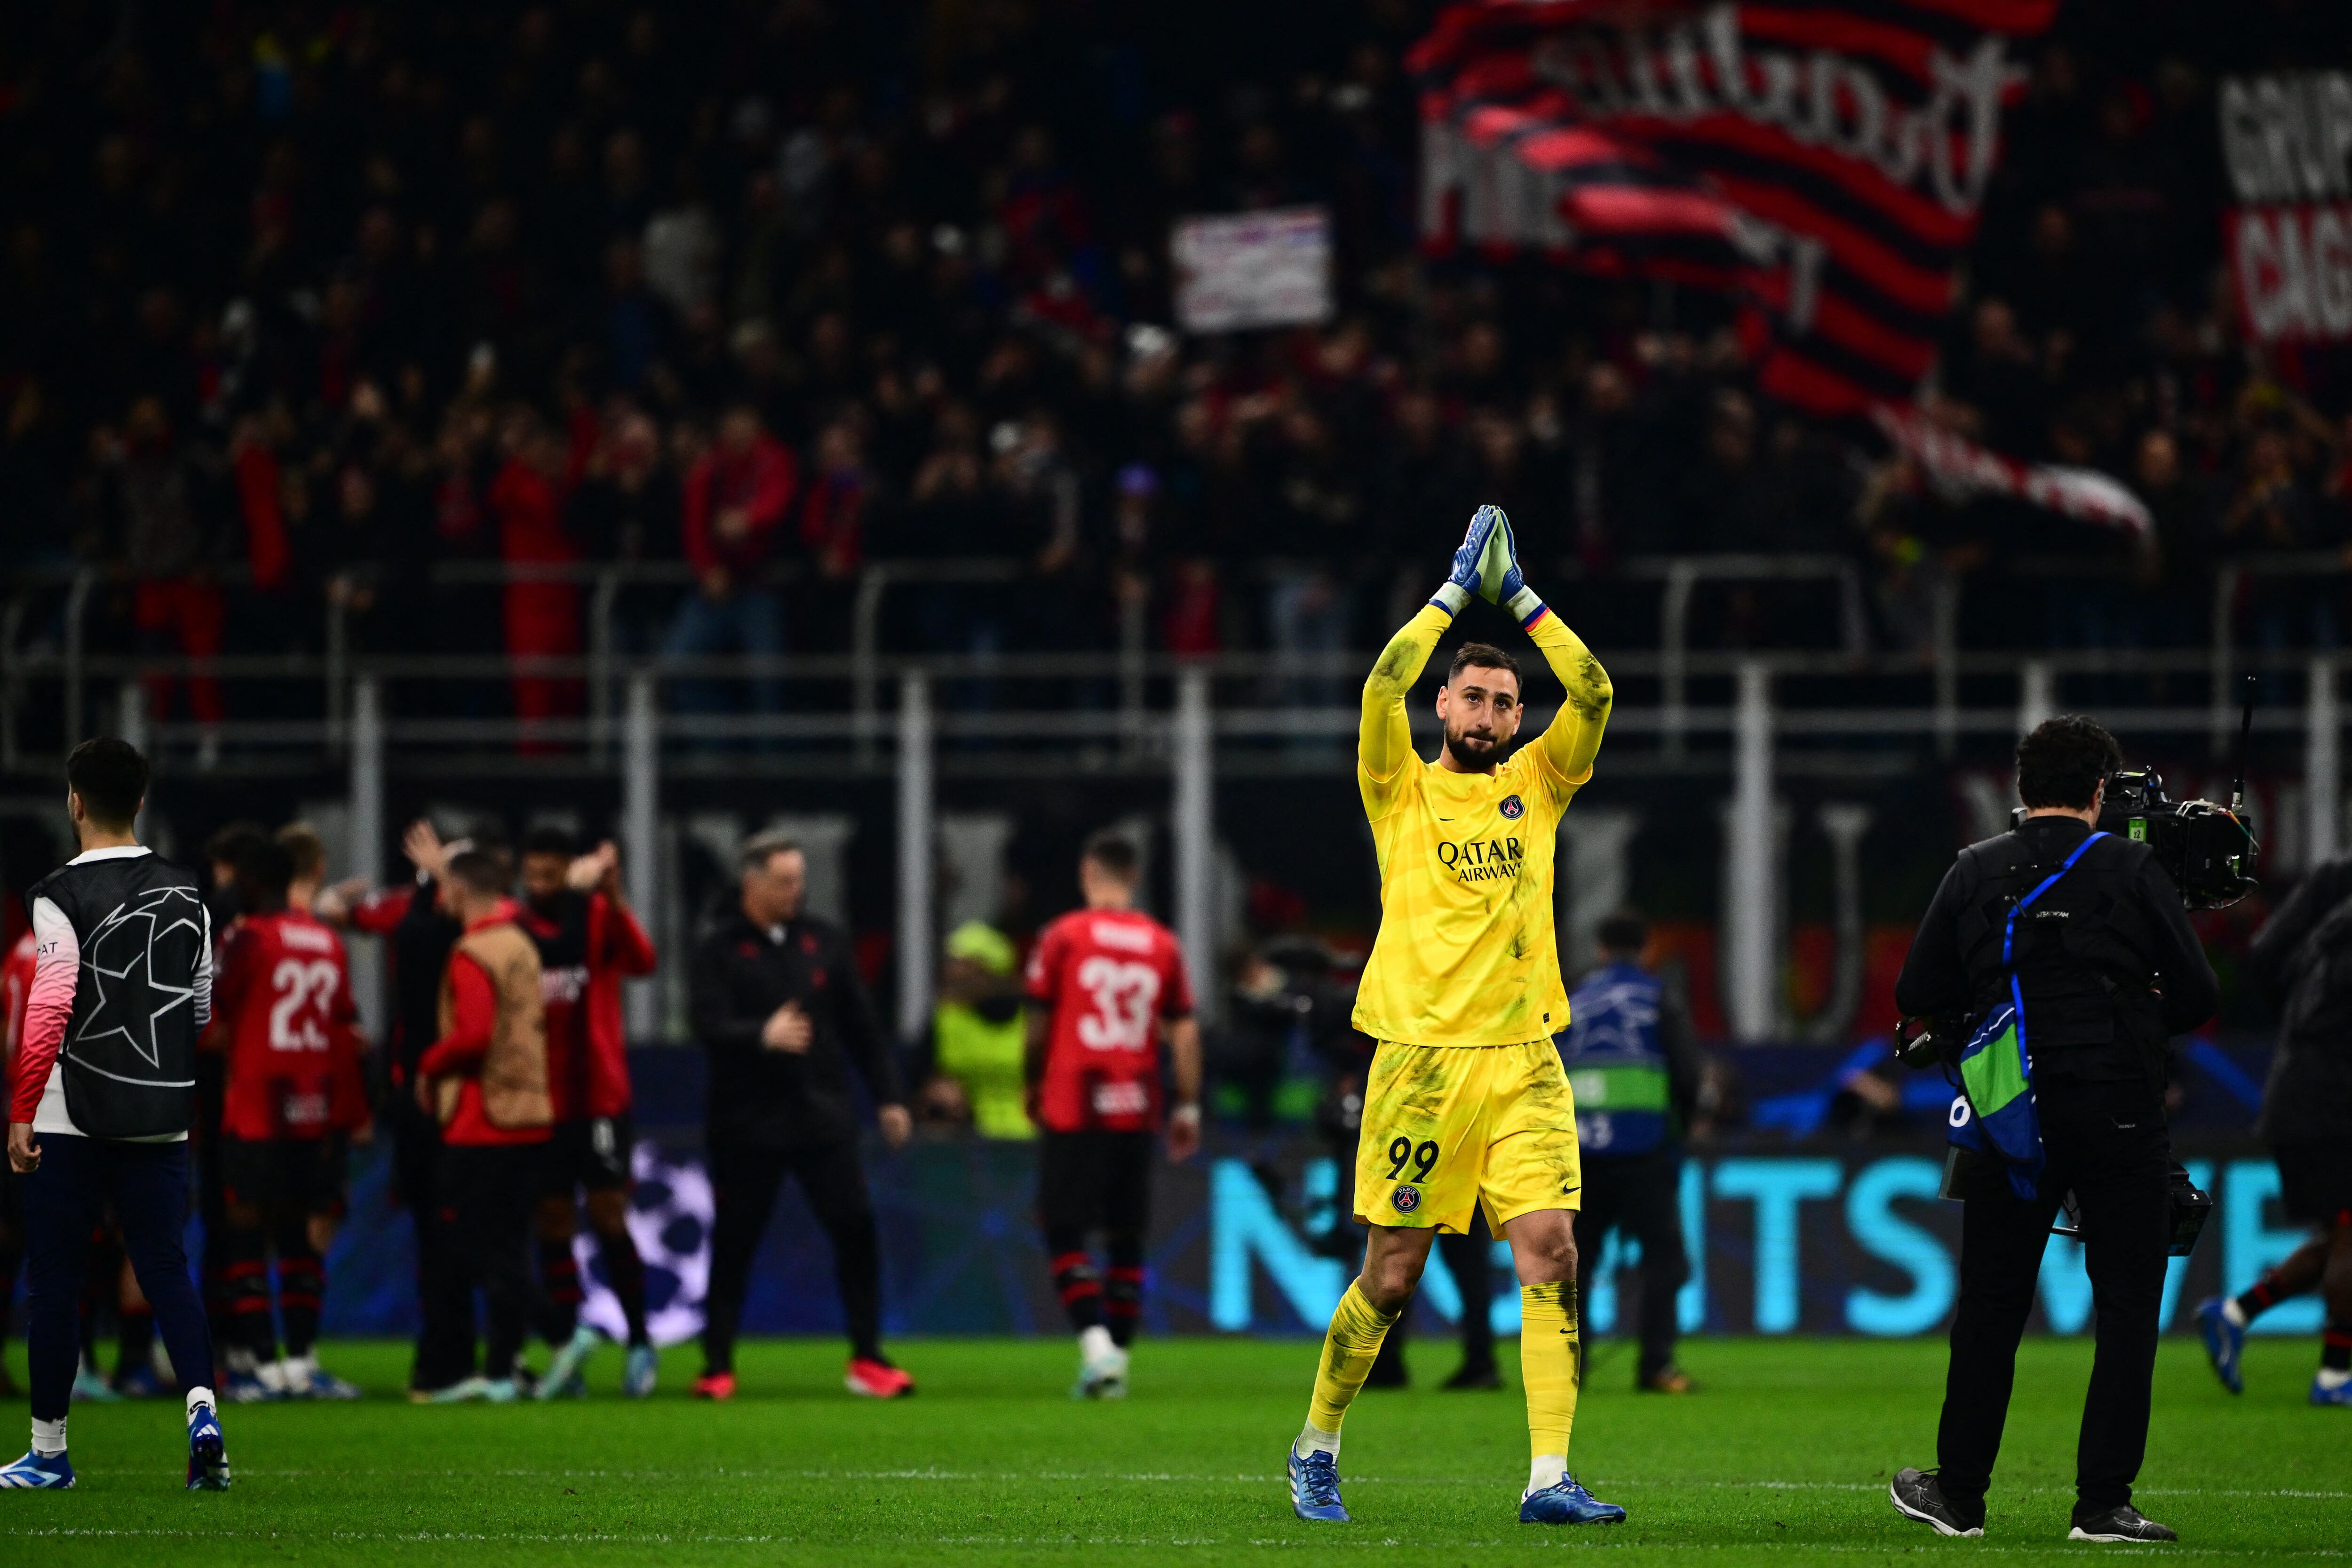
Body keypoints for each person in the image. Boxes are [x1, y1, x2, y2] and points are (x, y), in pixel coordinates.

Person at [1285, 505, 1622, 1528]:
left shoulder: (1541, 781)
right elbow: (1380, 681)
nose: (1486, 714)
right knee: (1390, 1277)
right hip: (1421, 1064)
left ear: (1520, 718)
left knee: (1553, 1249)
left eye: (1504, 701)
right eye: (1472, 696)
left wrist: (1519, 596)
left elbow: (1597, 687)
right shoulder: (1398, 786)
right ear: (1444, 704)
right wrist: (1450, 592)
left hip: (1524, 1058)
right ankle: (1316, 1444)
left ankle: (1548, 1476)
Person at [1889, 715, 2219, 1544]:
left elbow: (1916, 986)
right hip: (2120, 1111)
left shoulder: (1975, 869)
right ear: (2102, 790)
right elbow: (2199, 996)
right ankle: (2104, 1503)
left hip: (2011, 1116)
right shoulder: (2134, 867)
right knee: (2129, 1309)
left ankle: (1960, 1494)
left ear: (2020, 786)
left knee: (1993, 1307)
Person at [0, 738, 228, 1490]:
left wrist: (23, 1107)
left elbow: (51, 1002)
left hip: (72, 1110)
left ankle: (49, 1452)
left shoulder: (57, 893)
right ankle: (203, 1411)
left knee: (57, 1281)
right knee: (165, 1264)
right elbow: (198, 1005)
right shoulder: (186, 888)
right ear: (139, 801)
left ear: (74, 802)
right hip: (162, 1108)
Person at [688, 832, 913, 1401]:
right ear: (752, 884)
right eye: (784, 881)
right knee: (735, 1242)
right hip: (746, 1124)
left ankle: (866, 1357)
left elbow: (862, 1030)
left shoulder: (824, 943)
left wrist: (889, 1097)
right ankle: (717, 1365)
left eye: (799, 879)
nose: (797, 890)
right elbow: (706, 1025)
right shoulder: (718, 949)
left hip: (821, 1118)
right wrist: (759, 1036)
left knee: (856, 1230)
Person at [414, 845, 600, 1403]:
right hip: (529, 1115)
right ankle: (499, 1374)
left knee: (474, 1246)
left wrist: (428, 1065)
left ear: (460, 892)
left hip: (483, 1119)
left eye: (444, 887)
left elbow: (473, 1038)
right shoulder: (520, 943)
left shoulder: (474, 952)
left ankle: (564, 1334)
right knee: (508, 1247)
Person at [1023, 832, 1202, 1398]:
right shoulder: (1161, 943)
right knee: (1126, 1237)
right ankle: (1117, 1362)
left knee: (1064, 1227)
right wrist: (1189, 1103)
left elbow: (1037, 1022)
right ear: (1134, 876)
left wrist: (1032, 1082)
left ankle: (1098, 1349)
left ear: (1087, 872)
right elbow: (1184, 1029)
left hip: (1076, 1103)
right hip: (1136, 1105)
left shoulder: (1063, 937)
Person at [203, 835, 368, 1401]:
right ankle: (302, 1361)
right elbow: (344, 1029)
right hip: (312, 1109)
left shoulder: (247, 939)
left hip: (254, 1107)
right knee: (300, 1237)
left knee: (246, 1233)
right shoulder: (325, 940)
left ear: (250, 883)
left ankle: (260, 1366)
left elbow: (207, 1014)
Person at [327, 820, 479, 1398]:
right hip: (439, 1104)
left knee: (450, 1238)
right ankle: (450, 1364)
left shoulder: (419, 922)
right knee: (454, 1238)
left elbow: (337, 913)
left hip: (425, 1098)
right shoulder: (436, 929)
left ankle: (454, 1362)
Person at [2198, 851, 2352, 1406]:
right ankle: (2335, 1376)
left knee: (2340, 1233)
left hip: (2303, 1093)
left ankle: (2235, 1314)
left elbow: (2265, 960)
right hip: (2327, 1103)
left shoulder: (2329, 912)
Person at [514, 827, 659, 1397]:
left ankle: (641, 1342)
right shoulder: (520, 926)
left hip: (599, 1097)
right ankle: (566, 1346)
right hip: (541, 1100)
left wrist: (616, 896)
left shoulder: (597, 915)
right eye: (534, 876)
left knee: (607, 1214)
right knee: (551, 1218)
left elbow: (643, 961)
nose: (540, 885)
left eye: (551, 875)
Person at [1559, 910, 1703, 1394]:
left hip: (1579, 1152)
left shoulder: (1572, 997)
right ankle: (1656, 1366)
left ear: (1600, 949)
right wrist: (1678, 1128)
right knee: (1665, 1258)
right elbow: (1686, 1073)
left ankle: (1567, 1370)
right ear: (1646, 950)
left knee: (1575, 1261)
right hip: (1644, 1150)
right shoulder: (1657, 996)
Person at [915, 920, 1033, 1139]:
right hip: (962, 1146)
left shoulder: (1034, 1022)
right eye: (951, 964)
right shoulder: (945, 1020)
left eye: (963, 965)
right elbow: (912, 1085)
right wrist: (933, 1093)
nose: (951, 973)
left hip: (1028, 1146)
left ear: (991, 974)